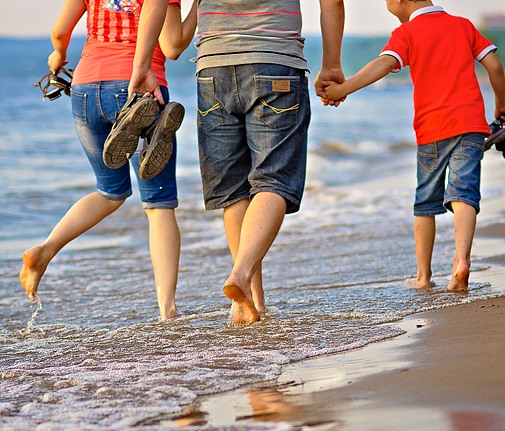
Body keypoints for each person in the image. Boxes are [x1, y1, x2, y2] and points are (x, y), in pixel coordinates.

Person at [20, 0, 197, 320]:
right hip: (138, 89)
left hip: (86, 89)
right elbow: (172, 45)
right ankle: (168, 311)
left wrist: (59, 54)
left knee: (110, 191)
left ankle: (45, 250)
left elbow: (60, 31)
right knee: (159, 203)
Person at [323, 0, 505, 291]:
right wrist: (501, 104)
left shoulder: (406, 32)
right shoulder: (463, 25)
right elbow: (494, 66)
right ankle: (461, 260)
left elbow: (384, 64)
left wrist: (343, 88)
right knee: (464, 192)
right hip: (471, 126)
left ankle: (423, 276)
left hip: (432, 130)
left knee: (426, 203)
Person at [194, 0, 345, 324]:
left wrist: (143, 66)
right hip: (275, 60)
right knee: (274, 180)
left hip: (213, 65)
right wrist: (331, 64)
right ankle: (241, 274)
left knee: (233, 189)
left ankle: (251, 301)